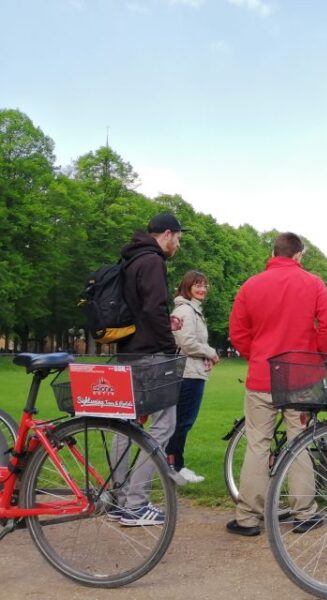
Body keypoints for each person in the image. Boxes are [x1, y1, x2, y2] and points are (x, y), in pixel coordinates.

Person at [226, 232, 327, 536]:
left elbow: (237, 332)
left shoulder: (251, 285)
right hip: (299, 375)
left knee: (258, 445)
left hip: (263, 375)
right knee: (298, 441)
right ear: (298, 255)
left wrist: (258, 356)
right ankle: (304, 512)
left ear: (274, 252)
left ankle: (248, 516)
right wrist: (315, 355)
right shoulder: (312, 282)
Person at [110, 212, 186, 526]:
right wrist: (169, 348)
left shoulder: (128, 259)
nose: (178, 244)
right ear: (167, 234)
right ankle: (136, 503)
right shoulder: (153, 261)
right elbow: (155, 309)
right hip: (151, 354)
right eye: (179, 238)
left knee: (125, 427)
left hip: (128, 352)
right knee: (164, 424)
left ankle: (117, 498)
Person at [165, 270, 220, 485]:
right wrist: (210, 352)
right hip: (187, 374)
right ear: (187, 287)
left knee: (183, 422)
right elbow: (186, 343)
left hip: (194, 373)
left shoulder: (193, 311)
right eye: (197, 285)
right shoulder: (185, 311)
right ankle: (175, 467)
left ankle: (173, 464)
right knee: (182, 422)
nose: (202, 289)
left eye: (204, 285)